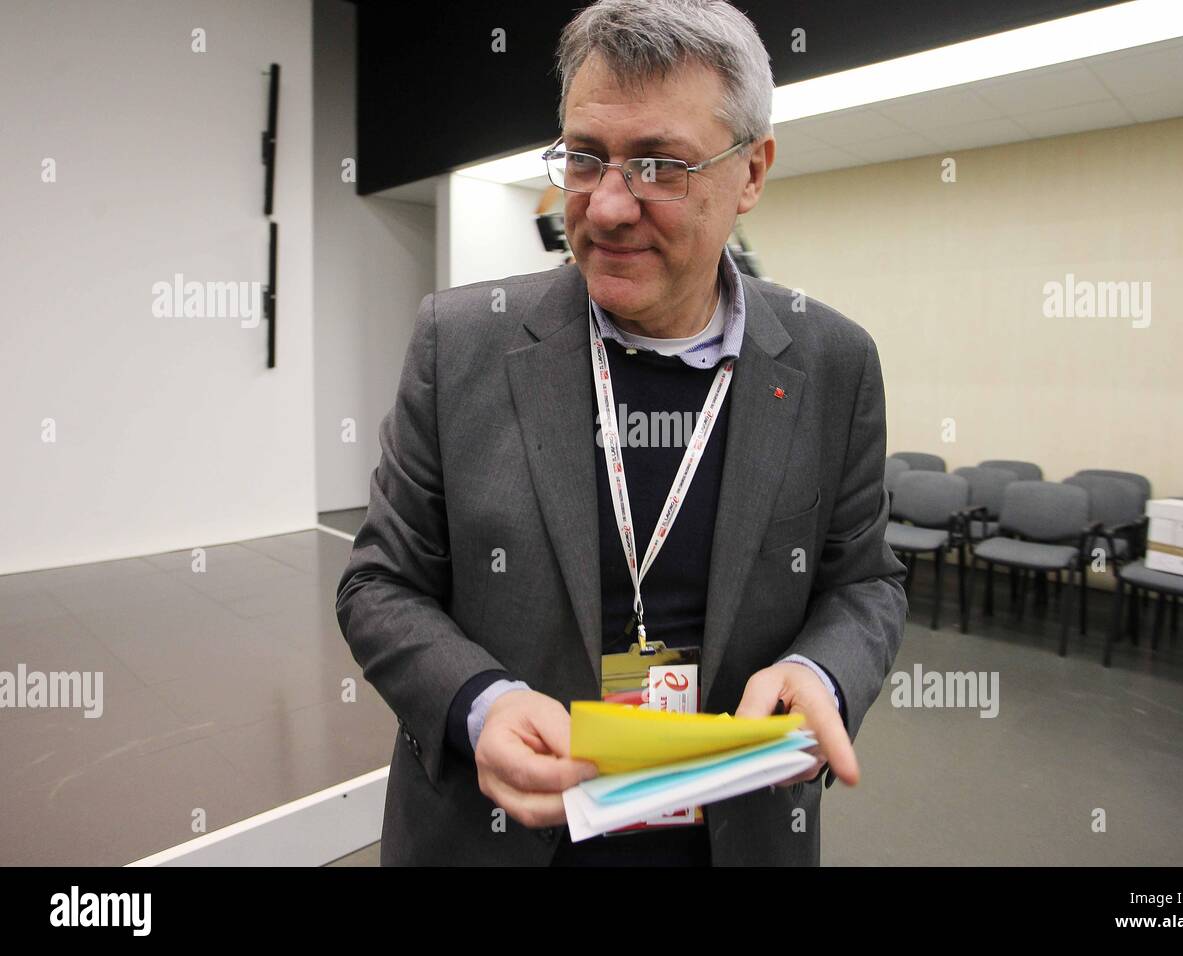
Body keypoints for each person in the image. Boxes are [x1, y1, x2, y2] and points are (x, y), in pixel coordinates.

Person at [335, 0, 907, 866]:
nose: (604, 207)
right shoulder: (461, 344)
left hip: (733, 832)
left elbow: (865, 585)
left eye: (658, 166)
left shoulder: (834, 363)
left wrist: (821, 673)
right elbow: (379, 583)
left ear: (752, 172)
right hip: (494, 835)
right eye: (585, 158)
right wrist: (479, 704)